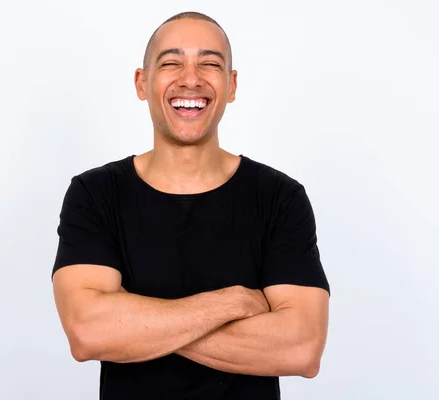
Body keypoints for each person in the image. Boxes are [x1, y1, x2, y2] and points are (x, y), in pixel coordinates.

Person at [51, 11, 330, 400]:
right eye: (171, 63)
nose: (191, 78)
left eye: (210, 64)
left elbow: (302, 349)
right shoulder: (95, 194)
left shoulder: (279, 197)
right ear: (141, 82)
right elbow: (87, 333)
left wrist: (135, 324)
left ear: (231, 85)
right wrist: (231, 302)